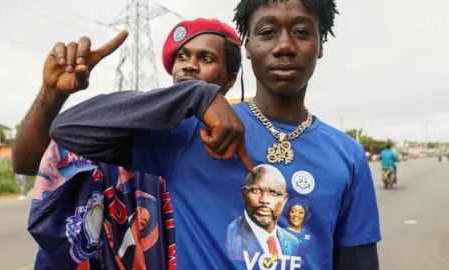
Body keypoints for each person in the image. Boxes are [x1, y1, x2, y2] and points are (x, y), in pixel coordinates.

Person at [48, 0, 381, 269]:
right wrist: (196, 94)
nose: (285, 46)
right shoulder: (191, 134)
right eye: (267, 32)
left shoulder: (347, 155)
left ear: (320, 44)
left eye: (301, 32)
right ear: (248, 46)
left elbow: (358, 261)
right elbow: (68, 130)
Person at [13, 18, 243, 269]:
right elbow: (28, 163)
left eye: (206, 59)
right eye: (182, 57)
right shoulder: (129, 129)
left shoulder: (241, 144)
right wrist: (52, 92)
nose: (189, 66)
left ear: (230, 80)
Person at [226, 164, 298, 261]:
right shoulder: (230, 237)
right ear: (243, 194)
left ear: (284, 200)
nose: (264, 200)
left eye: (274, 193)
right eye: (256, 190)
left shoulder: (292, 242)